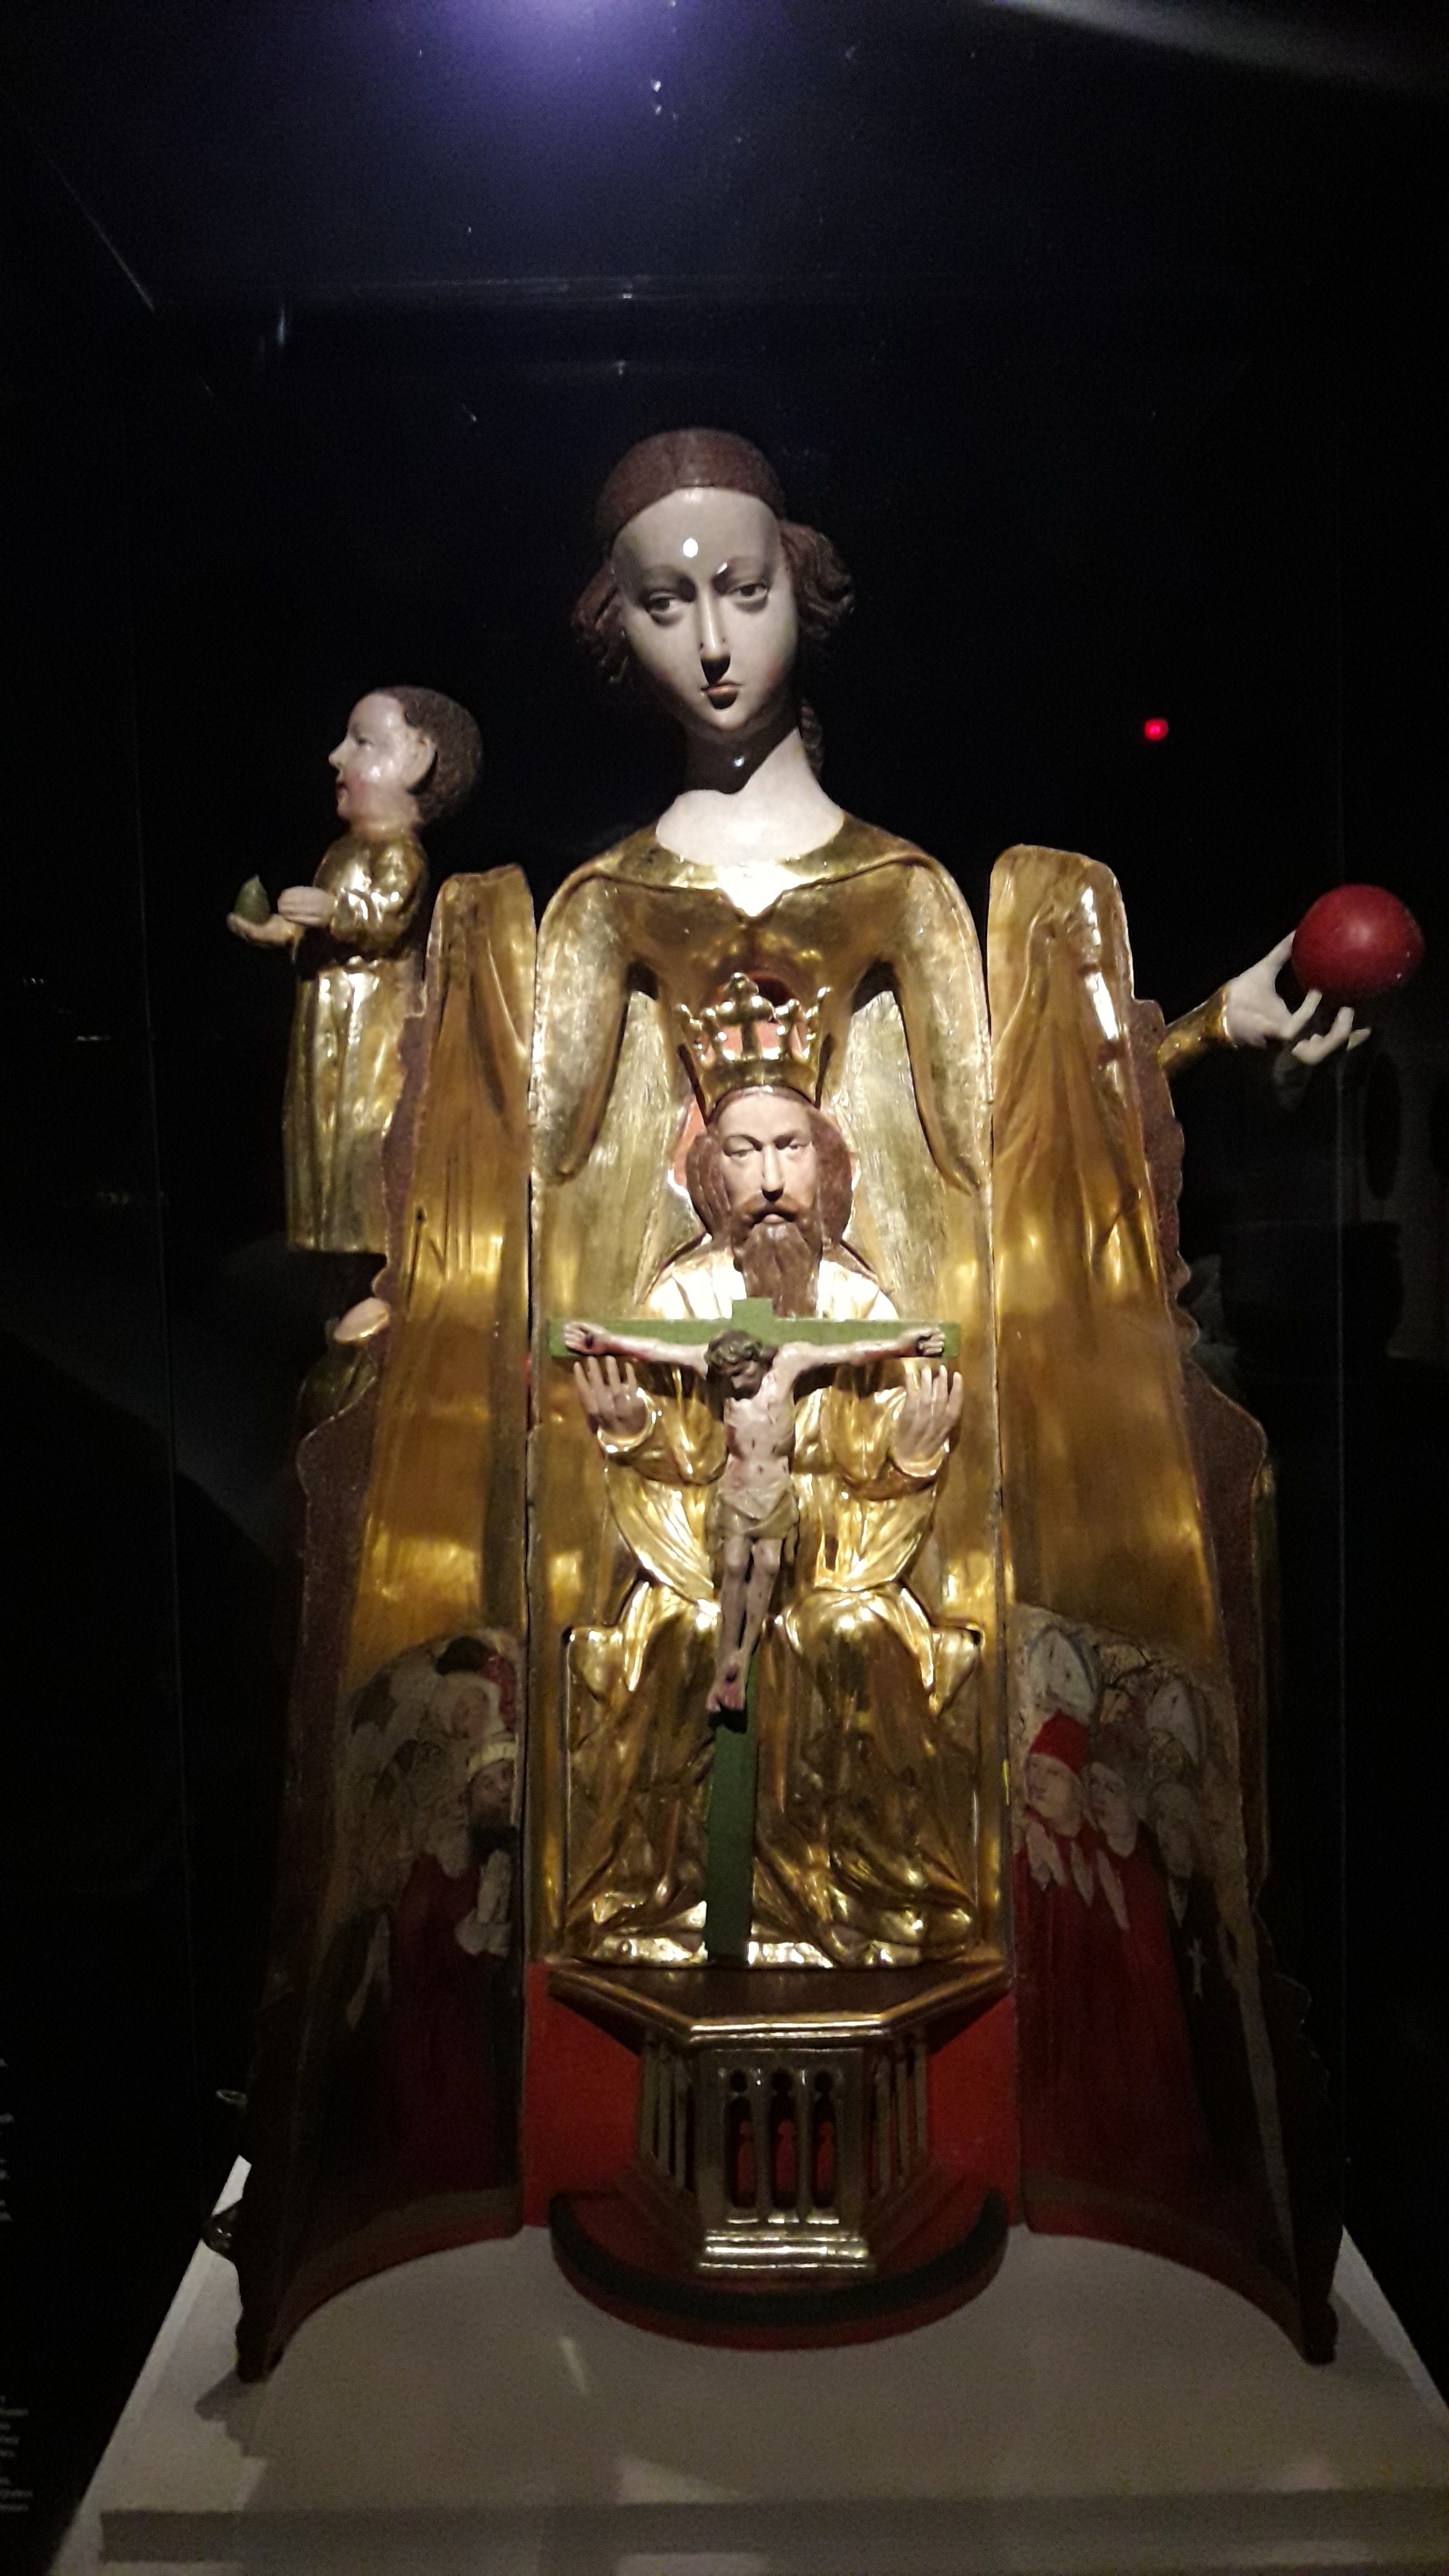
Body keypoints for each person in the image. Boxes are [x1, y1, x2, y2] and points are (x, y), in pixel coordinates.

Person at [565, 1307, 950, 1714]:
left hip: (774, 1494)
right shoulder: (718, 1371)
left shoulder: (789, 1364)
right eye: (727, 1379)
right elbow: (658, 1349)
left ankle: (741, 1656)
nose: (734, 1386)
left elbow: (852, 1351)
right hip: (737, 1491)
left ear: (757, 1359)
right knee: (733, 1567)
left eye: (741, 1375)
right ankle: (724, 1663)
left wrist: (906, 1344)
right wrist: (605, 1341)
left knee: (768, 1566)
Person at [227, 685, 481, 1265]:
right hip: (328, 1021)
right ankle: (336, 1259)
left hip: (372, 1031)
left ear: (416, 759)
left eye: (362, 743)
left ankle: (376, 1271)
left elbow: (387, 915)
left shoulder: (401, 855)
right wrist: (282, 931)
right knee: (325, 1137)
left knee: (367, 1137)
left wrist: (336, 912)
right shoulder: (342, 853)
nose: (337, 757)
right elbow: (323, 929)